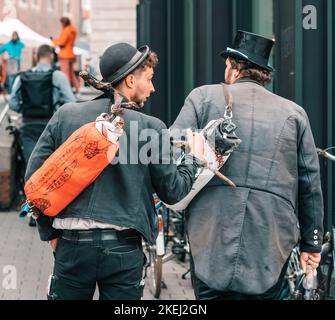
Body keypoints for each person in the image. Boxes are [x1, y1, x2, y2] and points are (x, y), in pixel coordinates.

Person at [25, 42, 204, 300]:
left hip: (72, 246)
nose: (153, 88)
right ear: (130, 80)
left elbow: (34, 181)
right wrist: (194, 159)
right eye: (149, 79)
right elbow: (173, 192)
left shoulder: (66, 115)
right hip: (124, 250)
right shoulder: (151, 127)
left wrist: (50, 233)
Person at [171, 30, 324, 300]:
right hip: (270, 236)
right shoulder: (294, 113)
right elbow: (309, 184)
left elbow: (170, 149)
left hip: (210, 230)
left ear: (234, 67)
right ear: (263, 74)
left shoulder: (203, 97)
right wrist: (311, 243)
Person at [10, 44, 76, 227]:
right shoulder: (57, 76)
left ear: (37, 56)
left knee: (32, 170)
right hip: (51, 127)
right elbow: (71, 102)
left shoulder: (22, 77)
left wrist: (24, 109)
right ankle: (52, 210)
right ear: (51, 56)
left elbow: (13, 102)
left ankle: (33, 213)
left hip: (29, 126)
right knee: (52, 170)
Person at [51, 17, 80, 93]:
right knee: (72, 74)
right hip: (71, 54)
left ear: (63, 23)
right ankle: (77, 89)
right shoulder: (72, 30)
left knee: (65, 74)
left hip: (64, 55)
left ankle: (67, 91)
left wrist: (53, 40)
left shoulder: (66, 30)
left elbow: (61, 42)